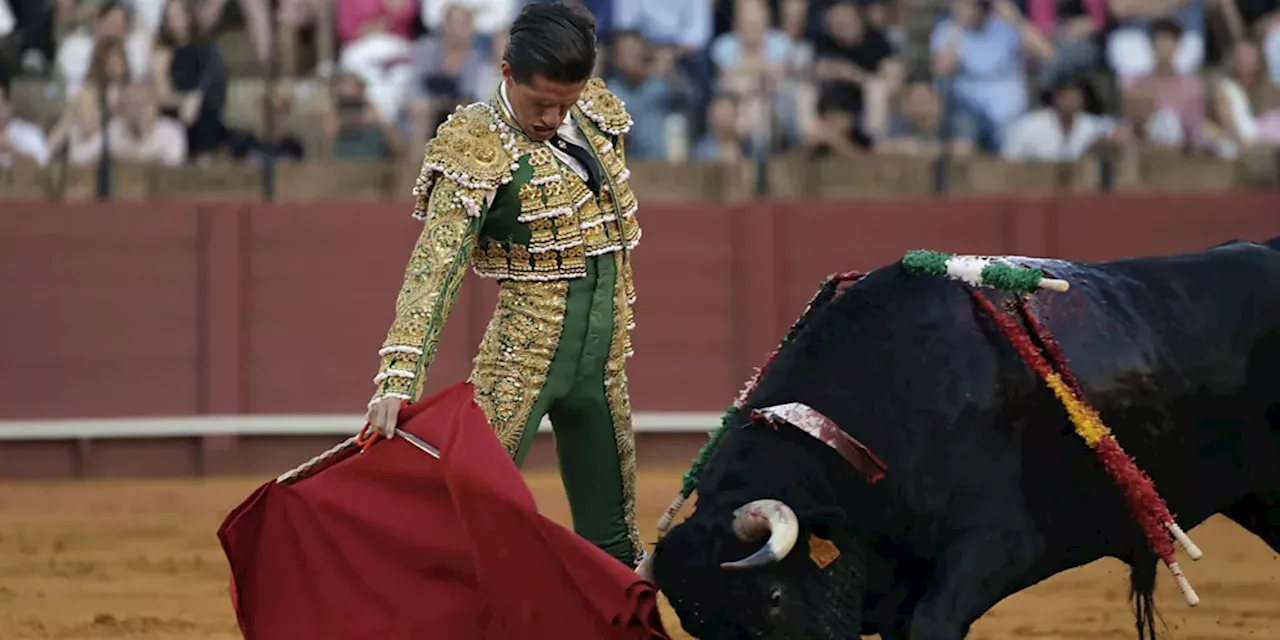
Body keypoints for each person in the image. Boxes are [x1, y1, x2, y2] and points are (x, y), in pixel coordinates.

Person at [364, 2, 645, 570]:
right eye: (540, 102)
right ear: (507, 73)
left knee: (614, 538)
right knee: (458, 521)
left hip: (603, 363)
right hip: (522, 362)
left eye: (564, 102)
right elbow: (435, 266)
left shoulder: (595, 113)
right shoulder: (475, 143)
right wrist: (399, 375)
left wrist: (569, 106)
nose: (551, 116)